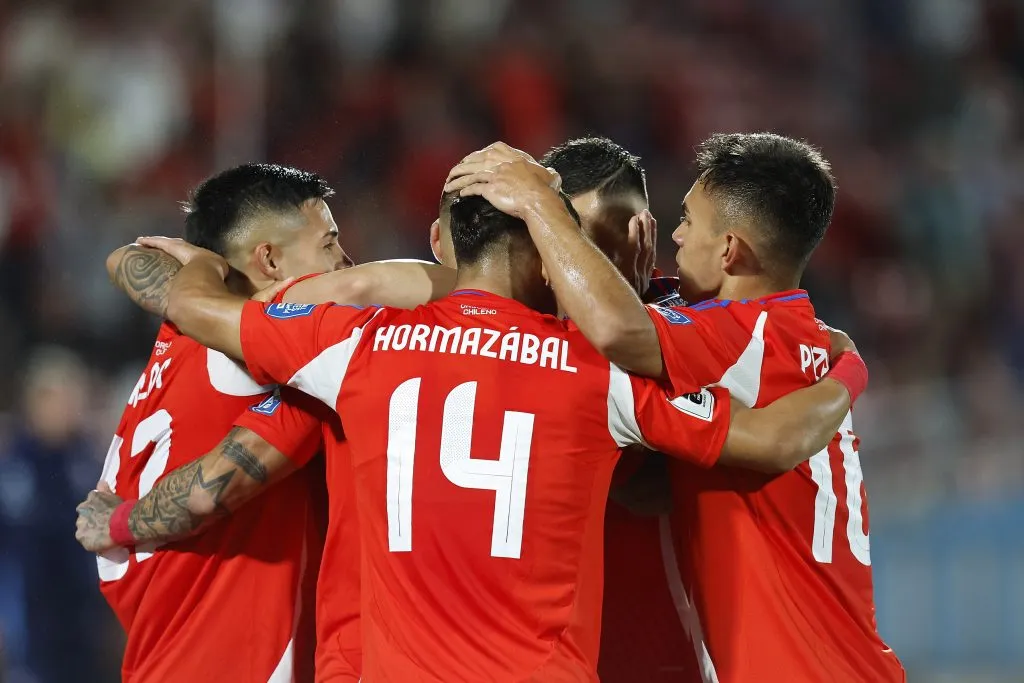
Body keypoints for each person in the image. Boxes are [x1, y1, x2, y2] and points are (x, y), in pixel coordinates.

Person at [128, 153, 861, 680]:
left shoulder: (358, 345)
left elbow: (197, 315)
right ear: (546, 254)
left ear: (447, 241)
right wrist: (851, 368)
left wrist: (199, 261)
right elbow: (751, 444)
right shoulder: (595, 368)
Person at [446, 135, 904, 682]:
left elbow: (616, 328)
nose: (676, 235)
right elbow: (654, 486)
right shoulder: (792, 339)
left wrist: (540, 202)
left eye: (687, 219)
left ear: (731, 250)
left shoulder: (740, 337)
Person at [89, 162, 364, 683]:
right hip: (238, 657)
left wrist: (200, 267)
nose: (347, 261)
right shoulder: (279, 355)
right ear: (269, 259)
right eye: (329, 242)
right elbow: (208, 492)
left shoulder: (179, 332)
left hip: (161, 650)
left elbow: (123, 257)